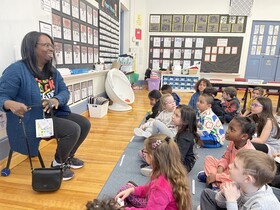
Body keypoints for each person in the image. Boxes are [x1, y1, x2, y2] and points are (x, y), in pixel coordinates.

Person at [0, 31, 91, 181]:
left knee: (84, 123)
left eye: (52, 45)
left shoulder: (52, 71)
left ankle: (67, 156)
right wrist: (10, 104)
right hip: (33, 121)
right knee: (72, 129)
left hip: (53, 115)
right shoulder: (16, 70)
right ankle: (57, 164)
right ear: (32, 48)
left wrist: (56, 100)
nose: (51, 49)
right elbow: (2, 95)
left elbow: (64, 92)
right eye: (46, 45)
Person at [115, 134, 192, 210]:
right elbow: (150, 188)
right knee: (126, 189)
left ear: (151, 157)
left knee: (119, 199)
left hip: (156, 205)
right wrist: (132, 190)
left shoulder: (160, 186)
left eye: (144, 151)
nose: (143, 153)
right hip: (158, 203)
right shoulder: (171, 171)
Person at [199, 149, 280, 210]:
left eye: (235, 166)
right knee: (207, 194)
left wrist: (231, 201)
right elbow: (219, 203)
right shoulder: (242, 184)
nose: (229, 166)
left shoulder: (261, 205)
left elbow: (230, 204)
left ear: (247, 178)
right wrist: (224, 195)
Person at [197, 117, 256, 190]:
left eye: (232, 130)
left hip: (236, 177)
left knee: (231, 186)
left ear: (244, 136)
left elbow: (240, 176)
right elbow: (225, 158)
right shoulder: (233, 142)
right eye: (228, 128)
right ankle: (214, 181)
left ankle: (214, 182)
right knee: (209, 159)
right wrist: (219, 170)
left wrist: (217, 176)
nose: (227, 131)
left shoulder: (248, 153)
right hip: (227, 170)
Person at [172, 105, 201, 172]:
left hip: (183, 166)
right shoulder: (183, 131)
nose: (173, 116)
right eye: (174, 113)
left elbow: (179, 158)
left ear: (185, 121)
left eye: (177, 115)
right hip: (180, 161)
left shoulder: (185, 137)